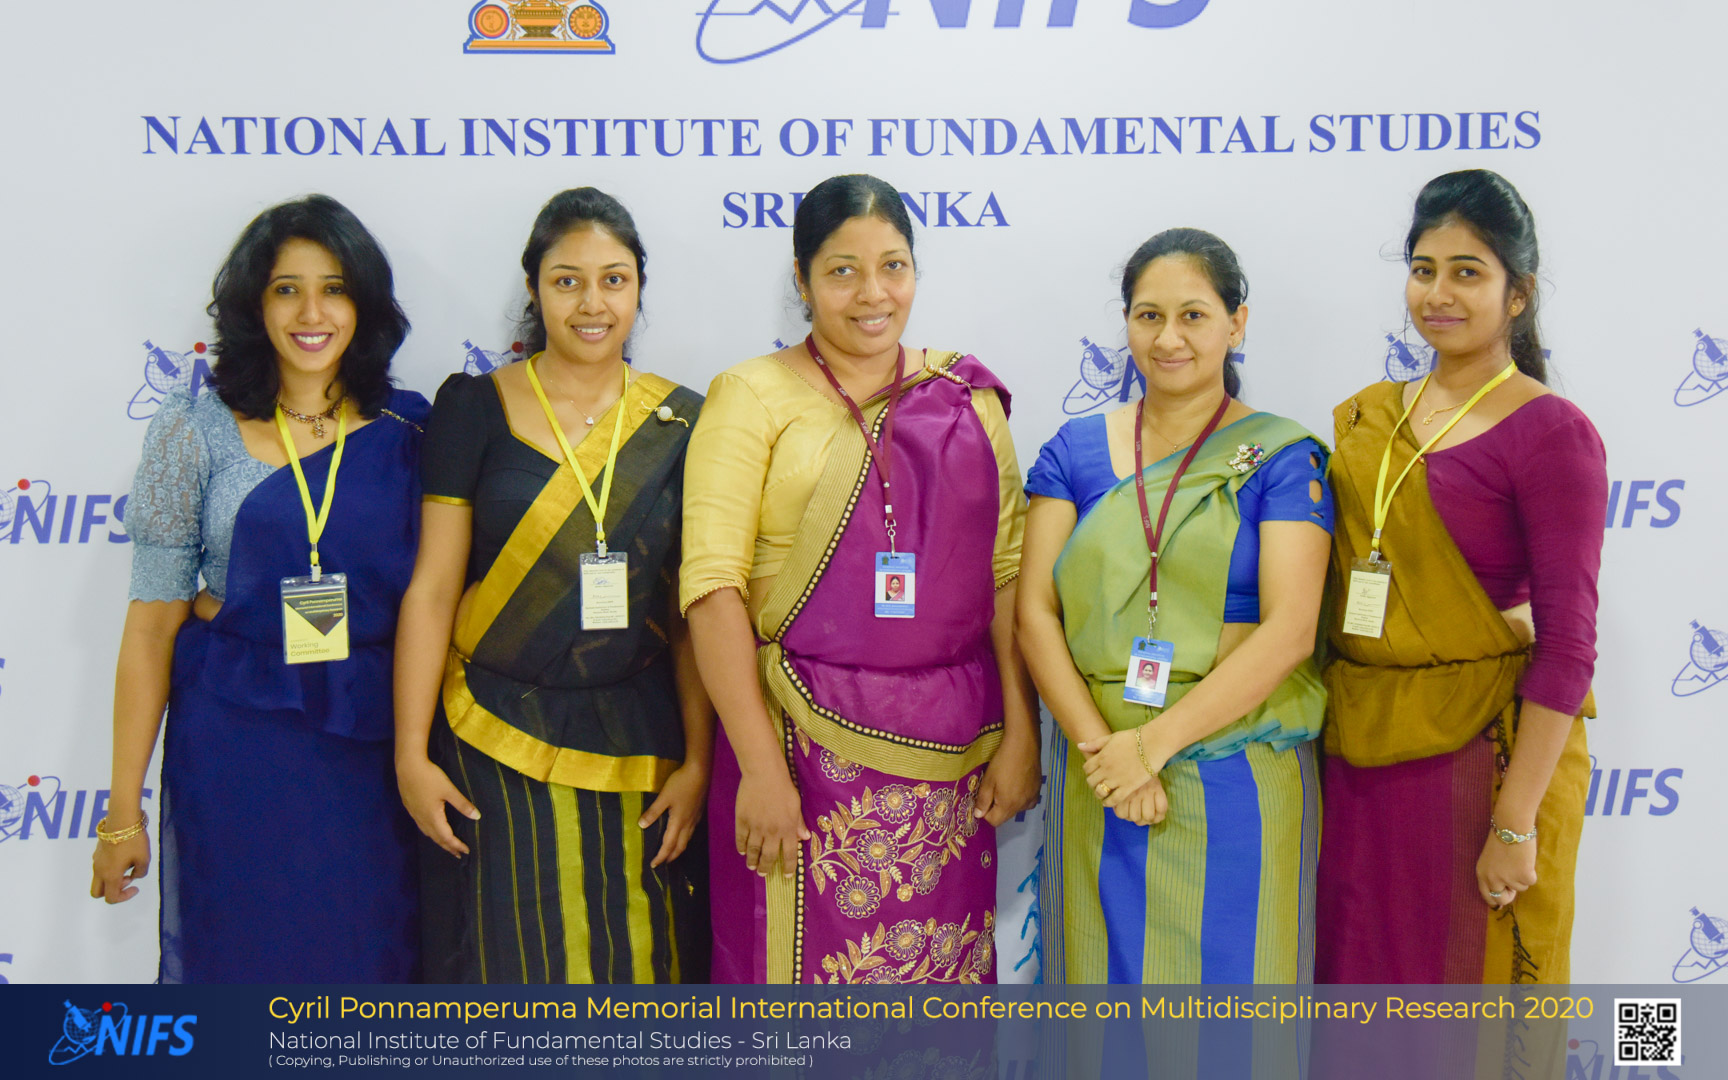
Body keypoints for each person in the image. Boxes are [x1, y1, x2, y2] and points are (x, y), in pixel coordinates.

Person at [682, 173, 1040, 985]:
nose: (873, 294)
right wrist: (761, 771)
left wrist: (1022, 733)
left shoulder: (963, 398)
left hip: (951, 761)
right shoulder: (751, 395)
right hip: (792, 753)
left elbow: (1006, 577)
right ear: (803, 279)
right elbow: (711, 588)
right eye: (843, 271)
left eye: (894, 266)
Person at [91, 195, 425, 983]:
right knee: (242, 956)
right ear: (254, 304)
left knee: (369, 958)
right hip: (234, 739)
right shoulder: (194, 428)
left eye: (334, 288)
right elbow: (151, 627)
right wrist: (121, 811)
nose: (312, 313)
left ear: (365, 304)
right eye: (286, 289)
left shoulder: (413, 431)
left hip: (371, 744)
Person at [394, 188, 711, 984]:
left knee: (641, 967)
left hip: (640, 745)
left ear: (639, 288)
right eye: (567, 280)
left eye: (614, 280)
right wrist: (409, 754)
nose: (592, 303)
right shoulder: (474, 407)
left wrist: (700, 761)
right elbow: (433, 590)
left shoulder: (683, 423)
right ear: (535, 288)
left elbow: (693, 616)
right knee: (508, 966)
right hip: (489, 740)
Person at [1018, 228, 1332, 987]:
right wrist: (1106, 754)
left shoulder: (1280, 456)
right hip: (1098, 769)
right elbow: (1034, 614)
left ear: (1236, 323)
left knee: (1233, 1003)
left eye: (1193, 315)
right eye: (1148, 316)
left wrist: (1151, 748)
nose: (1168, 339)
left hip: (1234, 767)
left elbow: (1291, 630)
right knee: (1097, 1000)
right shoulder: (1076, 451)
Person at [1317, 170, 1605, 986]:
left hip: (1483, 761)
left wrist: (1515, 822)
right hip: (1363, 752)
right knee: (1361, 999)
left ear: (1519, 294)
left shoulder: (1550, 433)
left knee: (1466, 1007)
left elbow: (1568, 647)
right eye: (1424, 269)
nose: (1438, 293)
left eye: (1467, 272)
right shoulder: (1374, 416)